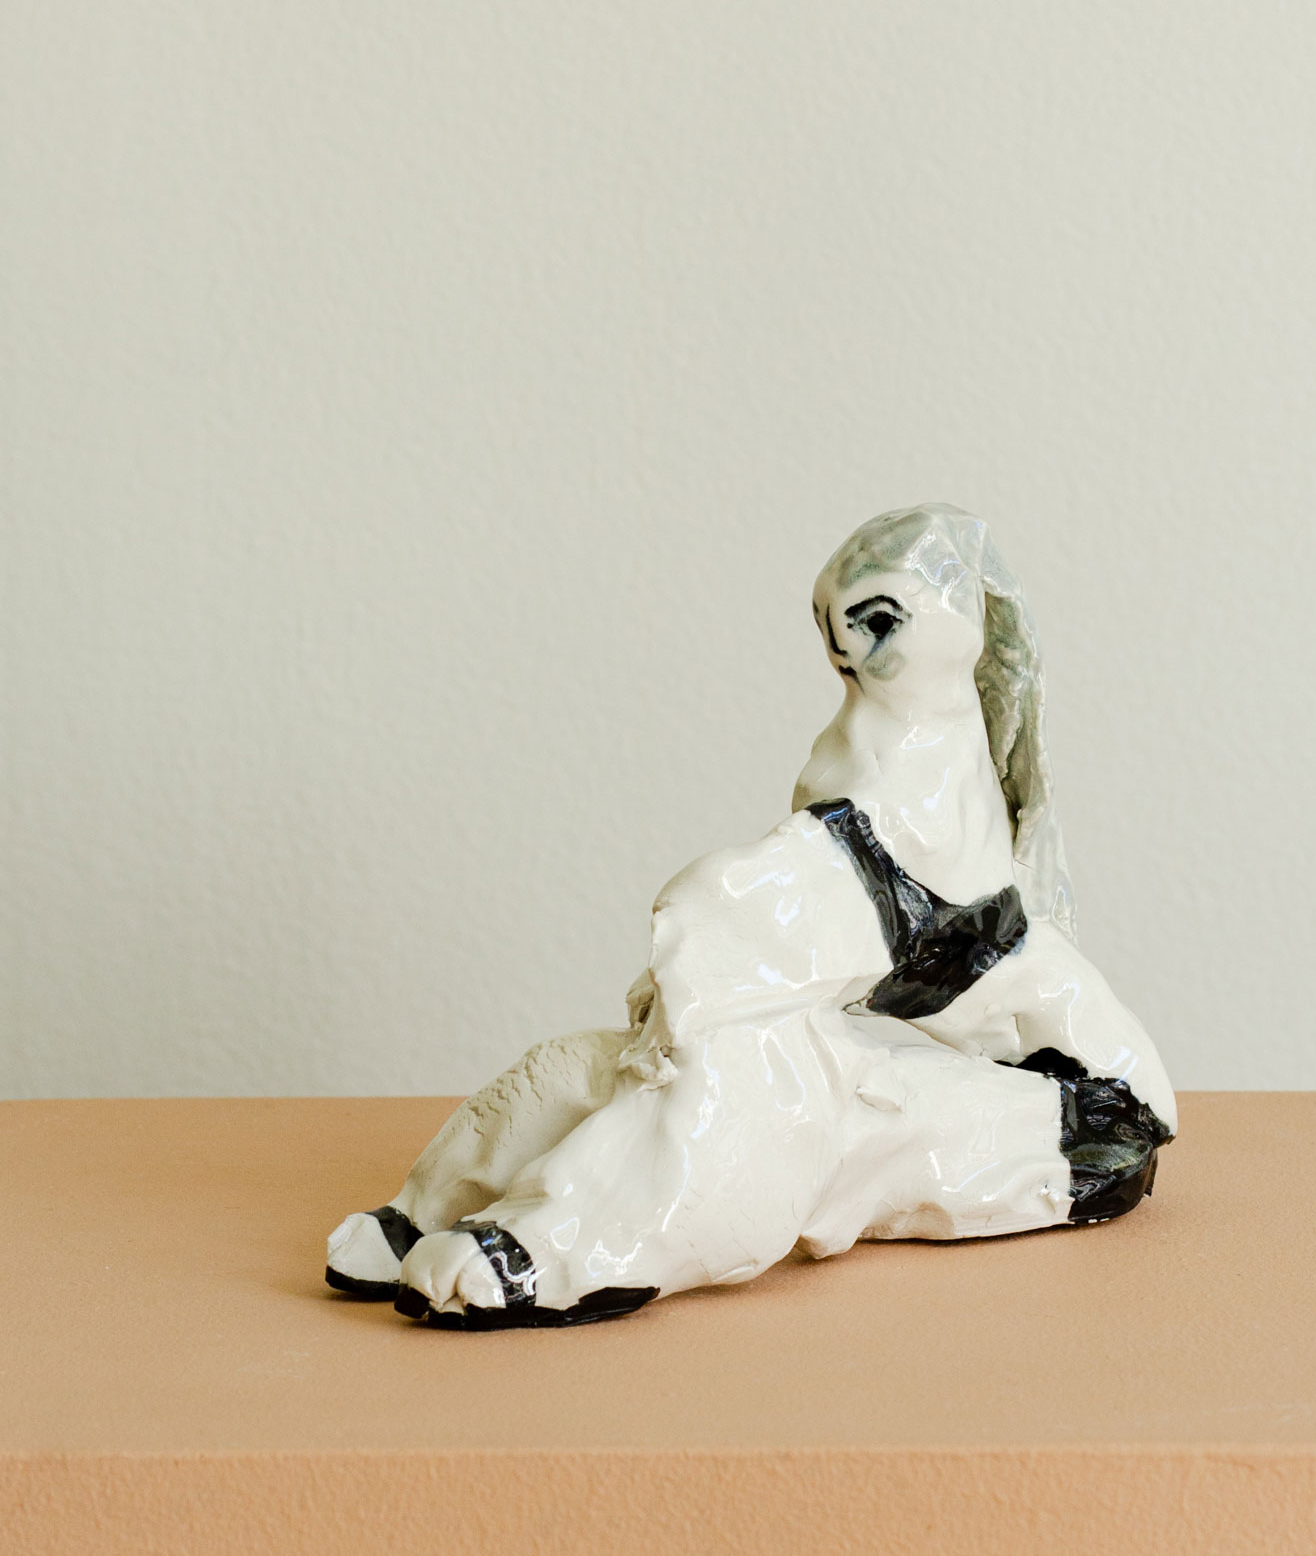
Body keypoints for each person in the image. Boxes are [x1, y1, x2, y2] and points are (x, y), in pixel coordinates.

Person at [325, 504, 1176, 1329]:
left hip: (1086, 1120)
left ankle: (564, 1250)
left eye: (879, 620)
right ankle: (425, 1209)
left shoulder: (933, 782)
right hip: (905, 1040)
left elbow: (792, 922)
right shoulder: (863, 755)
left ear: (961, 630)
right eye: (830, 622)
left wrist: (707, 934)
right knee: (583, 1066)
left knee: (757, 1088)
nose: (845, 645)